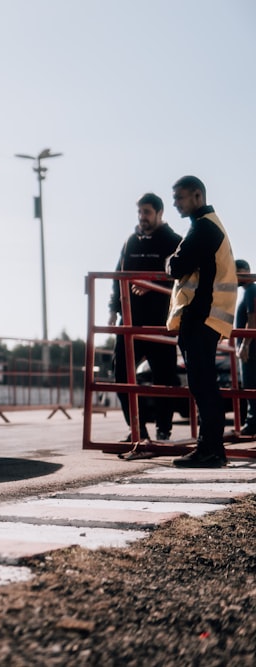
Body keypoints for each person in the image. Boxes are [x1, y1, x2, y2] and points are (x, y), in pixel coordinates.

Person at [166, 175, 237, 468]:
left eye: (179, 197)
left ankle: (210, 450)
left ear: (197, 196)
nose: (175, 203)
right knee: (205, 384)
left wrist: (169, 260)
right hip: (206, 318)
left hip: (201, 317)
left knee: (202, 385)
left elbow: (177, 266)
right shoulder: (210, 225)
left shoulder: (203, 228)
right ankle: (212, 449)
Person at [109, 193, 182, 451]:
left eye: (147, 212)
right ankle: (136, 429)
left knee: (165, 378)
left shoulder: (174, 242)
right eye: (140, 212)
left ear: (160, 214)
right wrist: (112, 309)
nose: (142, 218)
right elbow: (118, 274)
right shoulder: (130, 242)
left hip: (161, 322)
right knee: (120, 374)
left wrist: (155, 283)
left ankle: (164, 429)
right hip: (130, 321)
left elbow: (183, 277)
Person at [234, 259, 256, 435]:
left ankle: (252, 422)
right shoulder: (248, 291)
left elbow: (253, 317)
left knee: (250, 384)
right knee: (249, 384)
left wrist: (245, 345)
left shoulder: (251, 290)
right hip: (249, 346)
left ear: (246, 271)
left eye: (237, 273)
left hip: (251, 348)